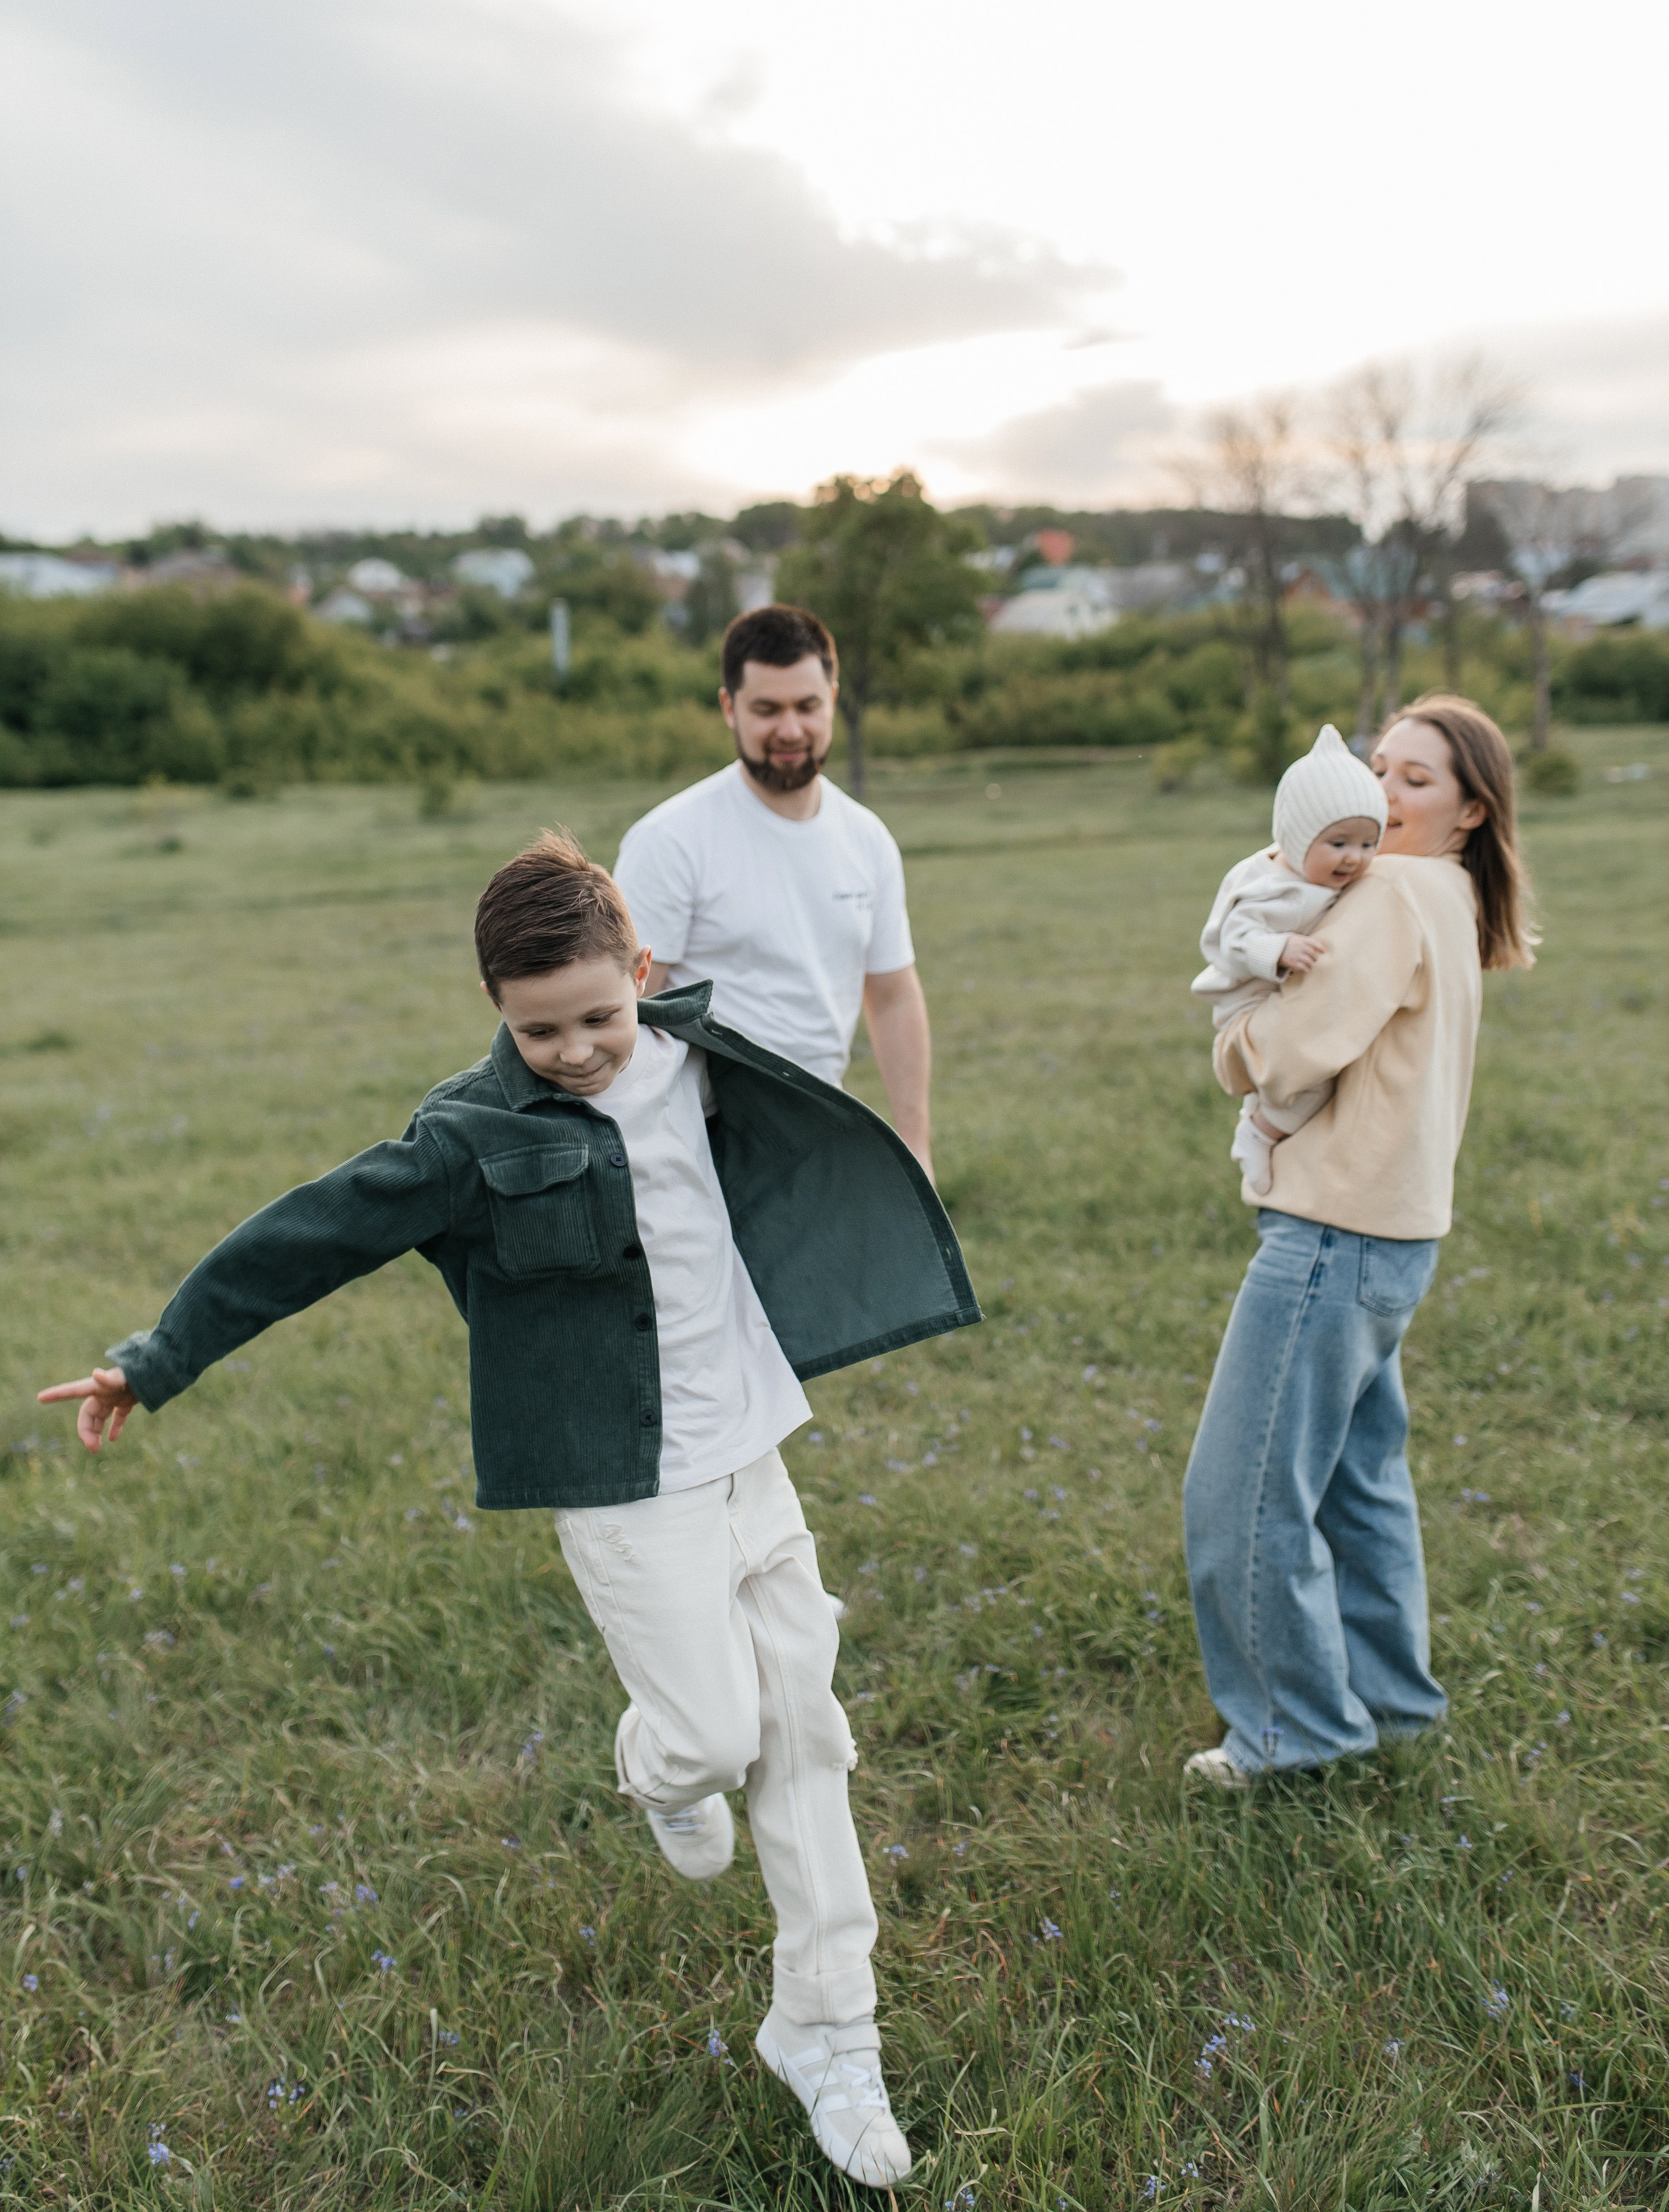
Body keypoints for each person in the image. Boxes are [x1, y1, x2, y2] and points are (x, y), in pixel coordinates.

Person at [38, 831, 981, 2189]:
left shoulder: (705, 1060)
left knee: (803, 1736)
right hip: (616, 1484)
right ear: (496, 1010)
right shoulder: (465, 1141)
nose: (579, 1049)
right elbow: (304, 1236)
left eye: (598, 1016)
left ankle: (828, 2028)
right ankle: (656, 1759)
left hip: (750, 1452)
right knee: (714, 1736)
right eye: (539, 1031)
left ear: (640, 974)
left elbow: (824, 1093)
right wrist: (156, 1354)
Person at [1181, 696, 1535, 1790]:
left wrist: (1231, 1040)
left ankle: (1297, 1733)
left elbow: (1293, 1052)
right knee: (1357, 1483)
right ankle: (1392, 1703)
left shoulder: (1389, 893)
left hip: (1333, 1235)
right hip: (1397, 1236)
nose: (1385, 795)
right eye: (1380, 769)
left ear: (1472, 810)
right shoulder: (1453, 896)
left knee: (1237, 1494)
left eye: (1417, 781)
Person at [614, 604, 934, 1179]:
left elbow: (893, 997)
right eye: (767, 709)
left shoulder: (867, 839)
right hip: (697, 1149)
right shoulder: (670, 840)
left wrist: (915, 1145)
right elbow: (623, 1018)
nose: (790, 730)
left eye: (807, 706)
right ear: (729, 708)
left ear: (833, 699)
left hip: (824, 1135)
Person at [1192, 724, 1388, 1195]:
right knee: (1315, 1080)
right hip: (1247, 1001)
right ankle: (1260, 1133)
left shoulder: (1316, 876)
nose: (1354, 859)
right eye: (1338, 844)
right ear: (1298, 840)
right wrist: (1276, 949)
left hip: (1274, 998)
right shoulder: (1272, 888)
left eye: (1368, 844)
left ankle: (1259, 1122)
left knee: (1297, 1076)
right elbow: (1233, 938)